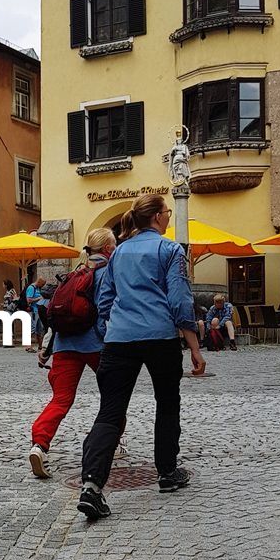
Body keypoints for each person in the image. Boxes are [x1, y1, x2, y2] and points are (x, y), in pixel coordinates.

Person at [79, 193, 206, 520]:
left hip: (120, 338)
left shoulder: (118, 253)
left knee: (110, 411)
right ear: (157, 217)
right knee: (166, 402)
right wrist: (193, 345)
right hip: (160, 336)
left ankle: (92, 484)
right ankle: (167, 471)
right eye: (166, 211)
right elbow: (180, 300)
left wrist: (110, 330)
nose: (168, 216)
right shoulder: (170, 249)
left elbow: (104, 298)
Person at [29, 230, 116, 478]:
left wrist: (47, 348)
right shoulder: (107, 273)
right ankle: (114, 440)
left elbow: (55, 317)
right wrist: (107, 340)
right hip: (96, 347)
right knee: (113, 396)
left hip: (65, 345)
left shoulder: (73, 274)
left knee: (61, 399)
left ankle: (39, 445)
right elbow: (105, 310)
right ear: (109, 248)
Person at [24, 276, 46, 352]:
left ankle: (40, 346)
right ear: (39, 282)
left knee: (39, 329)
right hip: (33, 311)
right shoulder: (31, 288)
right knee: (31, 328)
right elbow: (29, 300)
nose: (43, 286)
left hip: (38, 311)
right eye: (42, 284)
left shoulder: (38, 288)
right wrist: (39, 298)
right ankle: (28, 346)